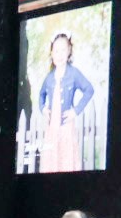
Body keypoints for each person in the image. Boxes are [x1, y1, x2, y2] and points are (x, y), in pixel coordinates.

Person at [37, 33, 95, 173]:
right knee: (51, 162)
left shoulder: (73, 73)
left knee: (66, 160)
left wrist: (75, 111)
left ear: (69, 51)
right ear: (52, 54)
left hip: (66, 127)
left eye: (63, 50)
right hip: (52, 128)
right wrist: (43, 109)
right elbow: (41, 95)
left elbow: (89, 90)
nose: (60, 54)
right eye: (56, 51)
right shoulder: (49, 77)